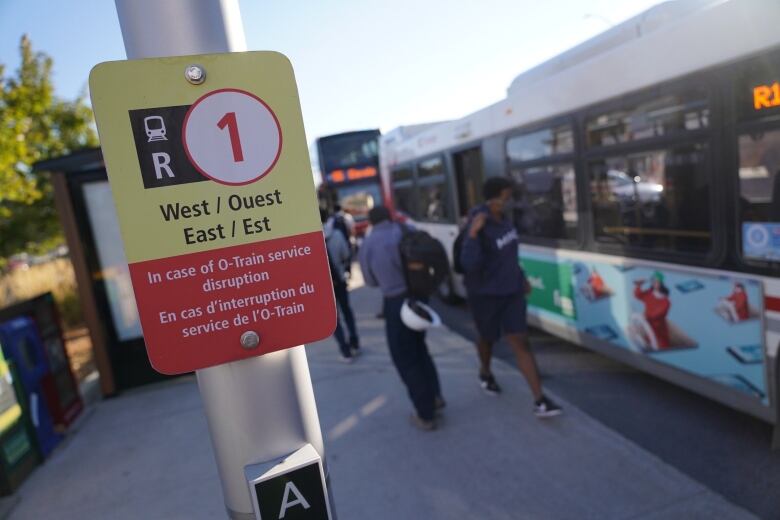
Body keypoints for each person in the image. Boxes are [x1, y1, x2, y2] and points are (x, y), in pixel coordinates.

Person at [460, 177, 562, 418]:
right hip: (485, 295)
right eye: (505, 197)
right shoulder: (478, 222)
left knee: (520, 340)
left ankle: (540, 400)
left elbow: (509, 255)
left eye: (509, 197)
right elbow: (468, 263)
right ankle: (485, 371)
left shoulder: (505, 221)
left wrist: (521, 277)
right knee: (487, 338)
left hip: (511, 291)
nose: (508, 202)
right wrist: (473, 235)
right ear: (493, 198)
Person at [358, 206, 444, 430]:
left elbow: (370, 281)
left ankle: (425, 415)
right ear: (389, 216)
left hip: (395, 304)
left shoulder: (368, 244)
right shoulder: (405, 229)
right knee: (420, 349)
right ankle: (435, 396)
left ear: (371, 222)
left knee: (405, 358)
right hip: (418, 299)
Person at [322, 209, 360, 362]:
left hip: (324, 287)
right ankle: (355, 342)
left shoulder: (306, 239)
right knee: (347, 311)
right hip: (340, 281)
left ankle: (345, 351)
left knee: (334, 318)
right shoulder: (336, 234)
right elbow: (346, 254)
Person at [632, 272, 671, 349]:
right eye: (653, 281)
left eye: (657, 282)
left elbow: (660, 313)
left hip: (659, 328)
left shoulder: (666, 301)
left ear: (661, 283)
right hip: (648, 324)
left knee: (662, 345)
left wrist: (646, 317)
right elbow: (638, 295)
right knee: (648, 342)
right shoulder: (650, 293)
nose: (655, 283)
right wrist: (638, 285)